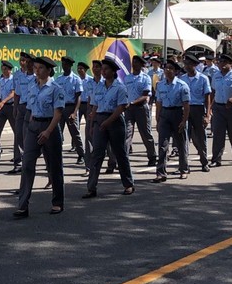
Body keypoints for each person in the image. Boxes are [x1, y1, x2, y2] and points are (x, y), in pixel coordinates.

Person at [13, 56, 65, 218]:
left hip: (49, 127)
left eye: (40, 68)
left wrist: (48, 131)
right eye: (35, 67)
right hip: (33, 126)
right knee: (27, 165)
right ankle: (22, 205)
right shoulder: (31, 86)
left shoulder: (56, 88)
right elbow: (29, 108)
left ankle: (57, 202)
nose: (36, 71)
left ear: (49, 70)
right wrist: (29, 127)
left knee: (54, 167)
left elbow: (58, 113)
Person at [84, 57, 134, 197]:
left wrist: (108, 121)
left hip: (115, 121)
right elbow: (95, 105)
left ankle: (128, 184)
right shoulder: (98, 86)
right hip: (100, 119)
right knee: (97, 154)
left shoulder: (120, 87)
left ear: (113, 71)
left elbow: (121, 107)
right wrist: (93, 123)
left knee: (120, 153)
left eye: (106, 69)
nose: (103, 71)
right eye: (102, 69)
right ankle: (91, 187)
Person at [153, 60, 191, 182]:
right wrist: (157, 119)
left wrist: (184, 120)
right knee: (162, 145)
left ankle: (183, 169)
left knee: (181, 143)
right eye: (166, 68)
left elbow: (186, 105)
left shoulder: (182, 85)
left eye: (170, 68)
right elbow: (158, 102)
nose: (167, 70)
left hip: (177, 113)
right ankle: (161, 172)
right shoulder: (160, 85)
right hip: (165, 114)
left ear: (176, 71)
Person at [179, 54, 212, 173]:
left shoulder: (203, 78)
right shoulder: (182, 79)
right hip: (185, 109)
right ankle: (184, 165)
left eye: (189, 64)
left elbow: (207, 97)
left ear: (194, 65)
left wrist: (208, 115)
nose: (186, 66)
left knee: (201, 137)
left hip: (198, 109)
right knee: (184, 138)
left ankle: (204, 162)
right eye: (185, 64)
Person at [123, 56, 156, 168]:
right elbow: (125, 93)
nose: (134, 64)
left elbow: (145, 95)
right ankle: (124, 158)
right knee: (127, 133)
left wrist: (132, 103)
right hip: (129, 109)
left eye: (137, 62)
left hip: (141, 108)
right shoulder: (127, 78)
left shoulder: (145, 78)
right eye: (133, 62)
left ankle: (152, 156)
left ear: (142, 65)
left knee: (145, 134)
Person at [55, 56, 85, 165]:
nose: (64, 66)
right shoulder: (59, 79)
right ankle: (57, 157)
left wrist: (74, 112)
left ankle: (81, 154)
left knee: (75, 133)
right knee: (58, 133)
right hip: (60, 108)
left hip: (71, 107)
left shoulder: (76, 79)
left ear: (70, 65)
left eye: (66, 64)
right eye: (63, 64)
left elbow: (78, 97)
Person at [0, 61, 16, 164]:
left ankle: (18, 155)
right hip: (0, 106)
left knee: (16, 131)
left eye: (6, 69)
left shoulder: (14, 79)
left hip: (10, 106)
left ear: (10, 70)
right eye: (3, 68)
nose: (4, 70)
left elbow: (13, 93)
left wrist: (3, 101)